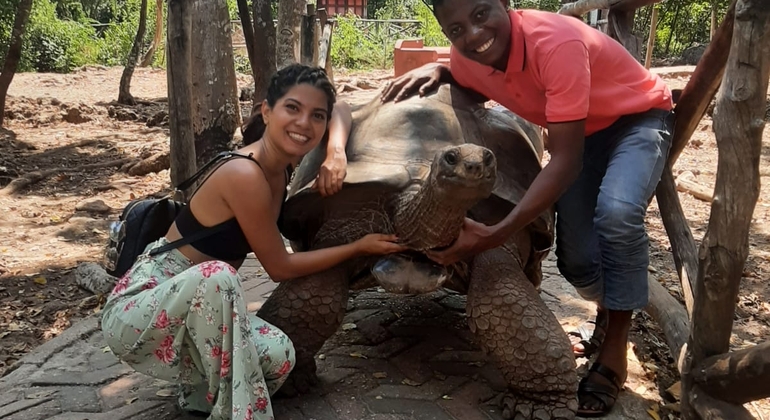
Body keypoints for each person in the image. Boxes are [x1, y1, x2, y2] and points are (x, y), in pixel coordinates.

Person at [381, 1, 674, 417]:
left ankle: (614, 350)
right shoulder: (469, 57)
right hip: (580, 132)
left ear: (506, 4)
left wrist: (496, 232)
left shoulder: (557, 42)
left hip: (636, 118)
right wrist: (442, 68)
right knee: (577, 262)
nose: (474, 34)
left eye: (482, 14)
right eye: (456, 29)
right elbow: (471, 80)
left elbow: (565, 161)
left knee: (617, 214)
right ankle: (611, 303)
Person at [101, 64, 407, 420]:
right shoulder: (244, 174)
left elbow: (340, 108)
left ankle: (200, 393)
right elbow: (279, 268)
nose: (304, 123)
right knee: (218, 276)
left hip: (202, 308)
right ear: (267, 110)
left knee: (280, 356)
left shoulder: (283, 164)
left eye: (315, 116)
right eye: (292, 108)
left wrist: (335, 151)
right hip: (146, 304)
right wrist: (358, 248)